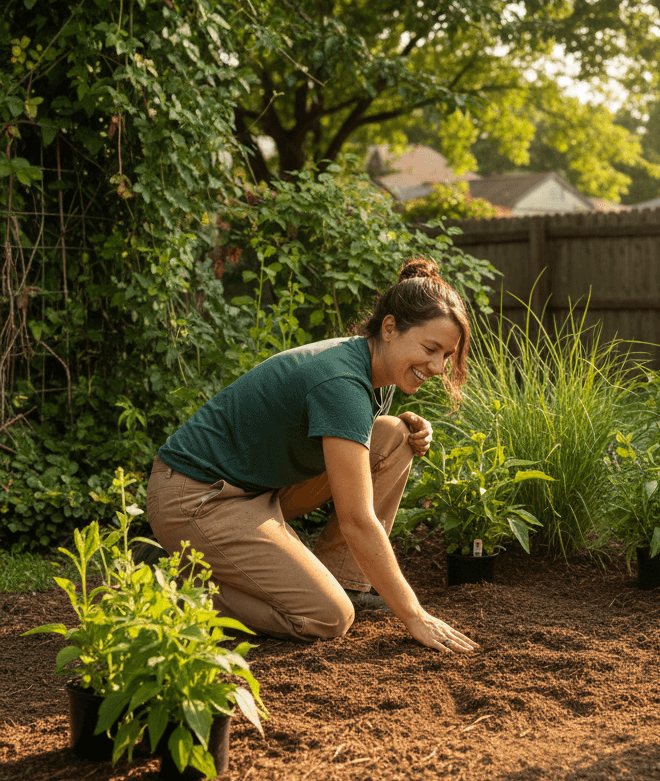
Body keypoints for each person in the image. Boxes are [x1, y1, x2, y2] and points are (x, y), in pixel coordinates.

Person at [144, 257, 479, 655]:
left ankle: (348, 584)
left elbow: (354, 433)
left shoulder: (374, 368)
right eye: (431, 349)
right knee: (328, 617)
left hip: (253, 489)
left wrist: (405, 423)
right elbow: (357, 520)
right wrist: (413, 614)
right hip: (197, 499)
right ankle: (170, 586)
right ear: (389, 328)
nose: (439, 367)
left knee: (394, 436)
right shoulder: (342, 383)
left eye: (447, 355)